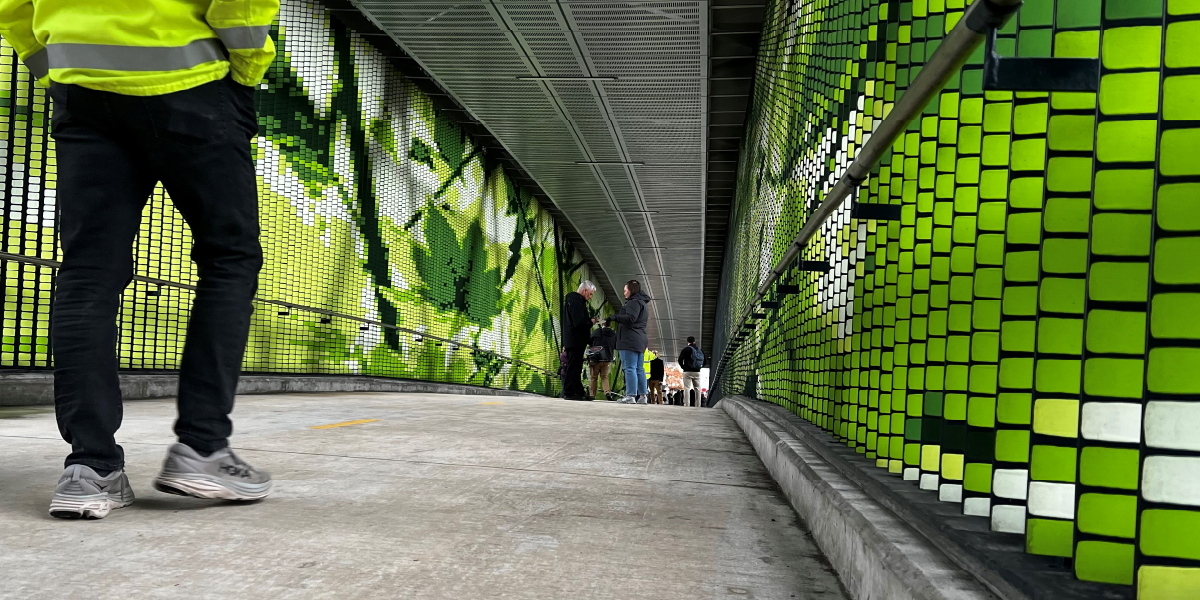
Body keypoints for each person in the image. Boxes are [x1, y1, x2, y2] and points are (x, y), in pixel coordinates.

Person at [0, 0, 281, 518]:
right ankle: (202, 448)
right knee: (228, 258)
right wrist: (244, 71)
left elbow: (14, 6)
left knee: (88, 272)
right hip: (194, 80)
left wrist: (56, 71)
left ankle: (91, 468)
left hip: (82, 87)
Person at [606, 280, 650, 404]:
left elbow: (631, 318)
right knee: (639, 369)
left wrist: (615, 317)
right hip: (640, 340)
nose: (624, 293)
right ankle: (643, 396)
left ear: (631, 290)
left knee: (629, 368)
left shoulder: (633, 302)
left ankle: (630, 395)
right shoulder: (643, 303)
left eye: (625, 290)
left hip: (629, 340)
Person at [561, 281, 597, 400]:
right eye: (590, 294)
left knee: (575, 366)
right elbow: (578, 322)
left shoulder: (571, 301)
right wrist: (590, 322)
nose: (590, 297)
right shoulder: (577, 302)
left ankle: (578, 391)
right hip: (576, 340)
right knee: (574, 367)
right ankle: (569, 392)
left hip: (572, 339)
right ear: (584, 290)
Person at [587, 321, 617, 401]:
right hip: (607, 359)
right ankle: (607, 392)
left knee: (594, 378)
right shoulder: (613, 334)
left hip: (596, 359)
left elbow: (590, 342)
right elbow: (615, 345)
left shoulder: (596, 332)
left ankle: (592, 394)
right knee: (604, 377)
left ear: (603, 324)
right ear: (610, 325)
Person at [678, 336, 705, 407]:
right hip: (697, 372)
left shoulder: (686, 349)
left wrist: (683, 367)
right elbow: (705, 361)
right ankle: (698, 405)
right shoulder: (700, 350)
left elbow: (680, 360)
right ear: (694, 341)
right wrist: (699, 368)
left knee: (687, 388)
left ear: (687, 342)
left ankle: (686, 404)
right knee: (698, 388)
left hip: (687, 371)